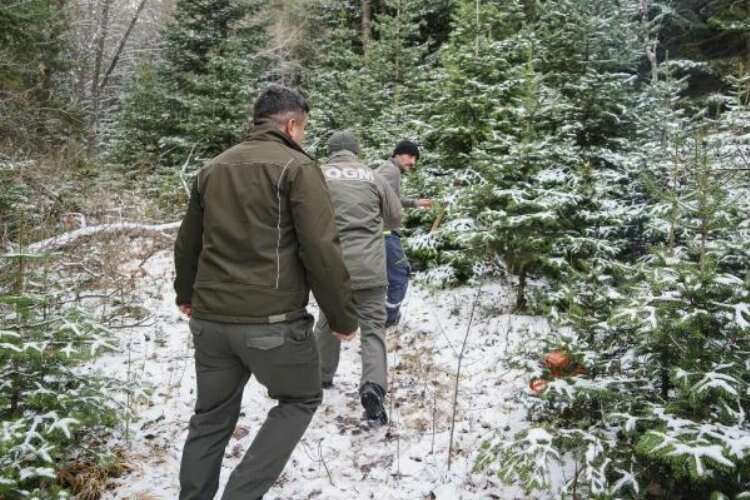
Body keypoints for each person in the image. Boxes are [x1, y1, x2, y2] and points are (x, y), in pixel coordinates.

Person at [173, 85, 359, 500]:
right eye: (303, 128)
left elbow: (187, 243)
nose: (303, 135)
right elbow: (321, 249)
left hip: (210, 321)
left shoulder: (213, 168)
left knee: (210, 417)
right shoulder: (298, 167)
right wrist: (342, 317)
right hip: (272, 322)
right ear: (291, 125)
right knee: (301, 398)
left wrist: (185, 294)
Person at [314, 130, 401, 425]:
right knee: (373, 328)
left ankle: (320, 376)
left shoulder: (317, 175)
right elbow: (395, 217)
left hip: (332, 268)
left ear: (330, 152)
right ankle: (373, 387)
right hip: (370, 268)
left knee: (328, 319)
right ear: (356, 151)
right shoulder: (373, 176)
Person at [375, 140, 432, 328]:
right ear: (398, 154)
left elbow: (392, 198)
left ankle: (381, 316)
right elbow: (374, 195)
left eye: (415, 158)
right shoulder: (390, 171)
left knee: (389, 276)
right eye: (410, 156)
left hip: (382, 232)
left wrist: (415, 203)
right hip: (385, 233)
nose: (412, 162)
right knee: (400, 275)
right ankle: (388, 319)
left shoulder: (389, 169)